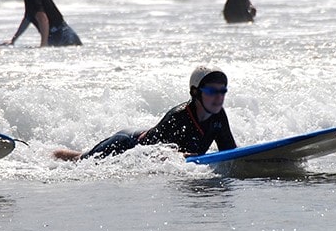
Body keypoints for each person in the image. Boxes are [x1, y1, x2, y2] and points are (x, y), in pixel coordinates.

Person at [53, 66, 236, 161]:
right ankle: (53, 154)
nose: (219, 97)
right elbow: (155, 153)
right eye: (213, 91)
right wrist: (177, 156)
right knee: (80, 160)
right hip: (127, 143)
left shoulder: (218, 116)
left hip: (140, 133)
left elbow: (230, 152)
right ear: (195, 92)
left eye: (223, 91)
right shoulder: (179, 117)